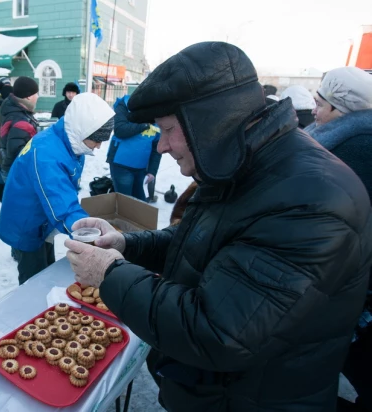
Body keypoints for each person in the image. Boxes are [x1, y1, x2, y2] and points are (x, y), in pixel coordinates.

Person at [65, 42, 372, 411]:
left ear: (208, 122)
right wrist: (129, 246)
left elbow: (218, 332)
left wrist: (110, 274)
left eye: (167, 130)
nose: (160, 146)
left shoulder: (311, 200)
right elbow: (202, 240)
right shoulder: (246, 162)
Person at [304, 66, 372, 411]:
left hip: (349, 283)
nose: (313, 110)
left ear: (339, 108)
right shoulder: (338, 137)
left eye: (319, 103)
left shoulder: (357, 147)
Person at [0, 93, 115, 285]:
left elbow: (64, 191)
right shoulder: (47, 154)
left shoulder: (72, 143)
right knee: (34, 280)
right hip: (26, 223)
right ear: (81, 131)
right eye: (96, 139)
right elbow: (63, 207)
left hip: (43, 219)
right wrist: (93, 239)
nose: (99, 146)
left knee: (47, 269)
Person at [107, 94, 161, 202]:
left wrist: (152, 171)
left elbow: (157, 147)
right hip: (121, 165)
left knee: (140, 203)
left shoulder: (158, 112)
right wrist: (145, 126)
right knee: (125, 203)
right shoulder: (124, 105)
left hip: (141, 169)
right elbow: (120, 130)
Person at [0, 76, 39, 184]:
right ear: (29, 96)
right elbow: (18, 154)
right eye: (36, 93)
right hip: (17, 174)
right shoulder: (20, 121)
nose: (38, 96)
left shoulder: (17, 110)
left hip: (12, 170)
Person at [0, 84, 13, 202]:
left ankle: (3, 194)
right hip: (2, 145)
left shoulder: (8, 107)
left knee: (4, 169)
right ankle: (1, 194)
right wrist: (4, 142)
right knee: (1, 169)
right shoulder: (1, 109)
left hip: (7, 144)